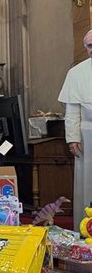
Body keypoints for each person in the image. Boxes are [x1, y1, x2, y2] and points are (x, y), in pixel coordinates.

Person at [58, 29, 92, 231]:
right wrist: (72, 138)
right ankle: (86, 228)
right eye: (89, 46)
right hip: (87, 135)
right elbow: (72, 111)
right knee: (87, 184)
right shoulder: (76, 73)